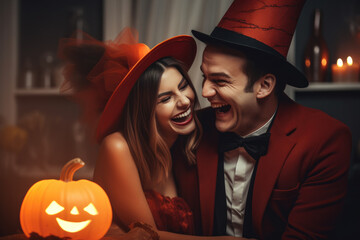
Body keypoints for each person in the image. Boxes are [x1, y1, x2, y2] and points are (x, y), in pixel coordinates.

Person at [173, 0, 352, 239]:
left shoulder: (325, 141)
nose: (204, 92)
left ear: (264, 86)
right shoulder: (191, 128)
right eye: (205, 77)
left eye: (220, 80)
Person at [59, 28, 244, 240]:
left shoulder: (182, 144)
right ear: (144, 110)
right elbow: (147, 236)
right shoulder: (117, 147)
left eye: (184, 87)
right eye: (166, 99)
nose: (184, 101)